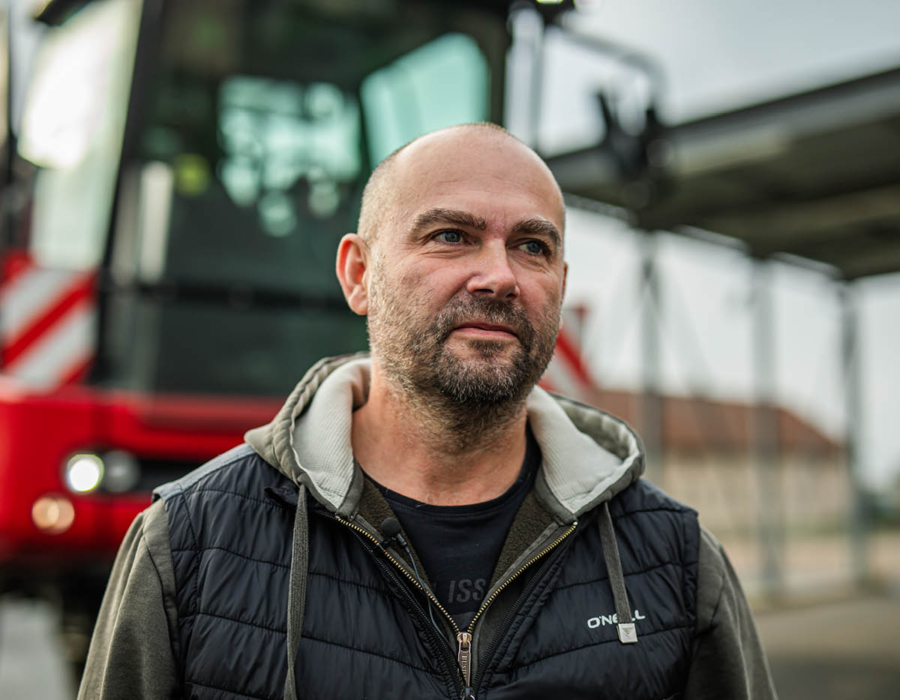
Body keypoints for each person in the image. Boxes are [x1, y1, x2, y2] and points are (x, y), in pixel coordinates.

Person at [79, 123, 777, 700]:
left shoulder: (679, 565)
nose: (500, 276)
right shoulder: (188, 547)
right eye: (450, 235)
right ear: (357, 275)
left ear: (559, 287)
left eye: (532, 247)